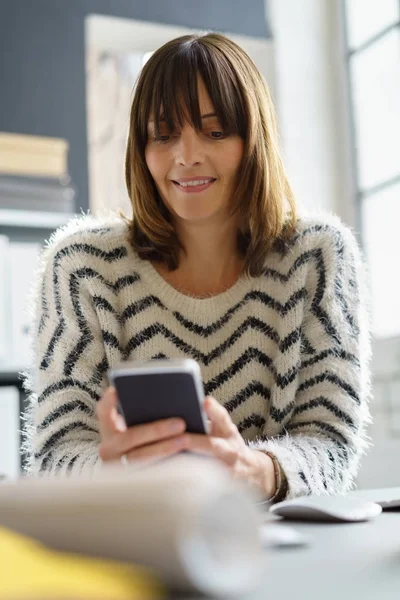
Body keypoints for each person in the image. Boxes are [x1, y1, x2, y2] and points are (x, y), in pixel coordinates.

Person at [23, 33, 371, 502]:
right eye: (163, 134)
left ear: (253, 139)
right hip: (137, 540)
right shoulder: (81, 267)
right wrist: (120, 469)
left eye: (214, 130)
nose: (186, 156)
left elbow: (332, 446)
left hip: (280, 543)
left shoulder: (318, 257)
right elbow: (53, 457)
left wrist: (255, 470)